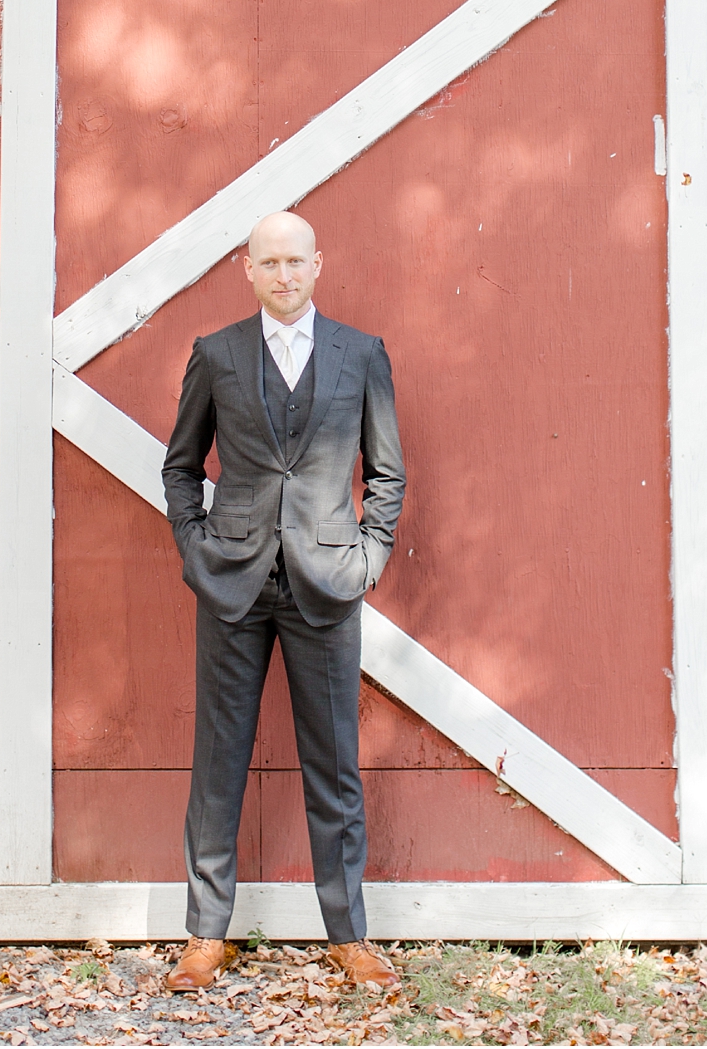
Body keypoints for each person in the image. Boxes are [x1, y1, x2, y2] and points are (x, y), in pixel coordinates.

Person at [160, 211, 406, 993]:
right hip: (232, 581)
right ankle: (205, 935)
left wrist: (367, 559)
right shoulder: (218, 354)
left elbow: (388, 475)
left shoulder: (361, 354)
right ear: (248, 269)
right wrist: (199, 551)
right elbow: (180, 467)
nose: (284, 274)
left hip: (327, 585)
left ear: (318, 264)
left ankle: (349, 936)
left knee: (334, 761)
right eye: (269, 262)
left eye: (296, 260)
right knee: (218, 762)